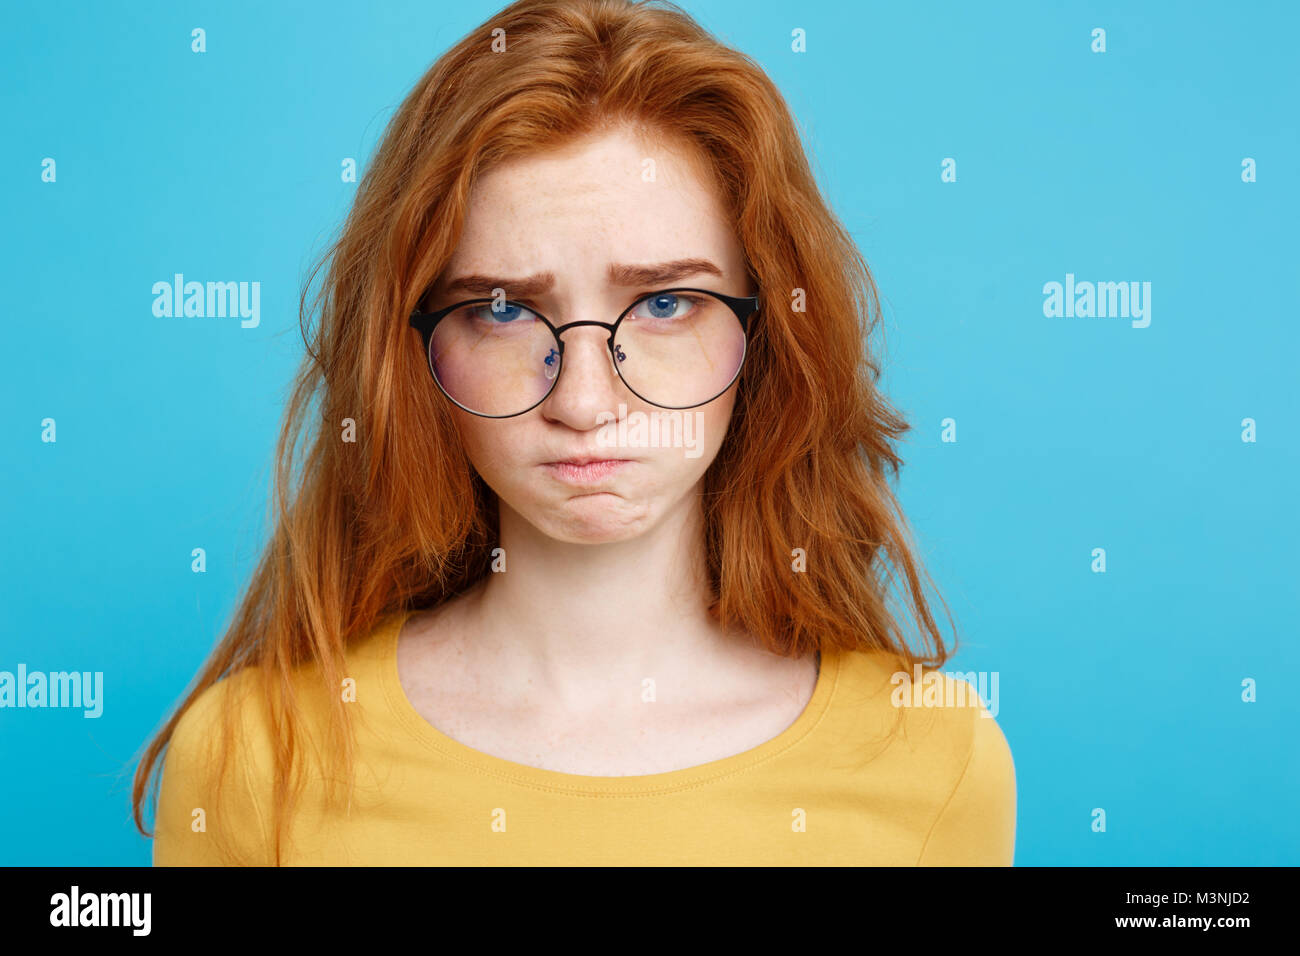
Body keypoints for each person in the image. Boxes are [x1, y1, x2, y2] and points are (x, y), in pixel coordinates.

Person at [134, 0, 1015, 866]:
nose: (587, 402)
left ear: (769, 331)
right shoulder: (251, 759)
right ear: (411, 348)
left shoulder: (935, 762)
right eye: (506, 310)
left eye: (666, 304)